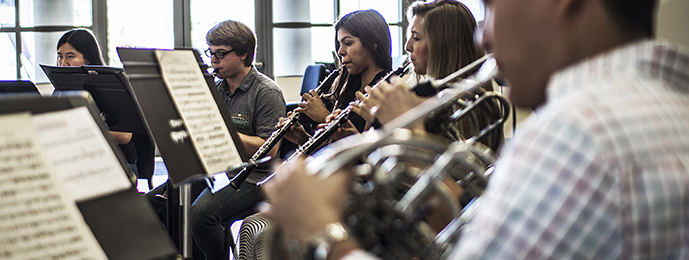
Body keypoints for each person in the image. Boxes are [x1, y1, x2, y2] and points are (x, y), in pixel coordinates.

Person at [263, 0, 689, 258]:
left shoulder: (578, 132)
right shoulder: (670, 107)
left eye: (491, 8)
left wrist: (323, 229)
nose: (484, 37)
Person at [189, 20, 286, 260]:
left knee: (200, 215)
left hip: (256, 177)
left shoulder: (266, 92)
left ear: (243, 54)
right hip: (221, 169)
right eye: (210, 53)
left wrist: (224, 132)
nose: (213, 61)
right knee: (165, 201)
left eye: (220, 54)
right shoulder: (217, 88)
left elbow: (269, 151)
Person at [359, 0, 503, 151]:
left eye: (416, 38)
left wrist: (393, 123)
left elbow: (439, 170)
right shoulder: (426, 100)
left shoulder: (459, 109)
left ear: (443, 45)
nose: (407, 47)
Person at [281, 9, 392, 145]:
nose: (340, 51)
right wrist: (302, 138)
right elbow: (331, 151)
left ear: (373, 43)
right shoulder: (347, 88)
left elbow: (370, 156)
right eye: (339, 44)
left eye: (348, 43)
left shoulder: (386, 90)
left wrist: (324, 117)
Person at [56, 28, 139, 175]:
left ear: (88, 58)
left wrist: (80, 134)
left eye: (70, 56)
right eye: (60, 56)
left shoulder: (110, 86)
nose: (63, 63)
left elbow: (124, 136)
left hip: (117, 163)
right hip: (77, 161)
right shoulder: (60, 90)